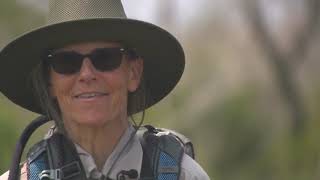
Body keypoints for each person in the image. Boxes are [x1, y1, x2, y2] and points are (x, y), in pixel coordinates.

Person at [0, 0, 210, 179]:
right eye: (66, 62)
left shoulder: (183, 175)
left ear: (133, 73)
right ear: (49, 82)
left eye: (106, 58)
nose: (86, 74)